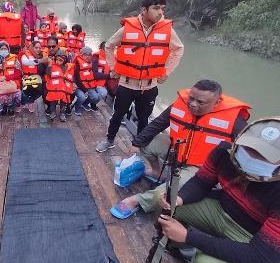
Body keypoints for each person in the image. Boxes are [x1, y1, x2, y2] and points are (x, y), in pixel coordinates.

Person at [107, 80, 250, 219]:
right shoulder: (180, 104)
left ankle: (136, 201)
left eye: (200, 102)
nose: (193, 104)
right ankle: (158, 172)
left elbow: (248, 150)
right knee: (147, 144)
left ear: (216, 103)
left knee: (165, 193)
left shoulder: (234, 119)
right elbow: (158, 124)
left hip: (202, 166)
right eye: (191, 98)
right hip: (178, 150)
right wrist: (136, 143)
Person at [158, 117, 280, 263]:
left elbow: (260, 257)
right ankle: (183, 249)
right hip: (223, 209)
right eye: (249, 148)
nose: (252, 157)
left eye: (265, 157)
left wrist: (189, 237)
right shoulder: (224, 152)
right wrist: (179, 198)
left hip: (256, 239)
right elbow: (201, 182)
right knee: (168, 206)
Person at [96, 0, 184, 150]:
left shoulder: (167, 30)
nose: (160, 12)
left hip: (150, 86)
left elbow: (178, 49)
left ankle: (141, 147)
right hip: (127, 85)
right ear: (144, 10)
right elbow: (109, 46)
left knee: (144, 119)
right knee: (117, 116)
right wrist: (114, 68)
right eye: (156, 8)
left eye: (162, 8)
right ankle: (109, 140)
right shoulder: (127, 28)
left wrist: (166, 71)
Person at [0, 42, 22, 116]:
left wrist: (6, 78)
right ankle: (2, 108)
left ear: (8, 49)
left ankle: (11, 108)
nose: (4, 50)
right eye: (2, 49)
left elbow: (19, 73)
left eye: (5, 49)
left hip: (12, 82)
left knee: (17, 94)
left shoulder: (14, 58)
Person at [72, 46, 108, 116]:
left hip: (89, 85)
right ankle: (77, 107)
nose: (88, 56)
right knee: (82, 97)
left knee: (95, 97)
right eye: (85, 55)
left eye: (89, 55)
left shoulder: (91, 62)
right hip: (79, 86)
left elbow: (93, 75)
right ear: (81, 55)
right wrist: (85, 90)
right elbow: (77, 79)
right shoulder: (77, 63)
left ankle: (84, 104)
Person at [44, 49, 74, 122]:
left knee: (63, 101)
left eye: (60, 60)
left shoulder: (67, 67)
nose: (58, 61)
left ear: (64, 60)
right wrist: (50, 65)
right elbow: (48, 74)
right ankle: (53, 112)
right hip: (55, 88)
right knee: (53, 99)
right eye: (56, 59)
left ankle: (62, 113)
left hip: (64, 88)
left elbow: (71, 77)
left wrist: (74, 84)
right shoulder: (52, 66)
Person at [20, 40, 48, 112]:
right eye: (36, 47)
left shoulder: (42, 56)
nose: (38, 49)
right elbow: (29, 62)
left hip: (36, 77)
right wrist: (41, 60)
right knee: (25, 89)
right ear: (32, 47)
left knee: (40, 89)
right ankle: (24, 102)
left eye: (39, 48)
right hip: (26, 76)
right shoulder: (25, 56)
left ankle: (31, 102)